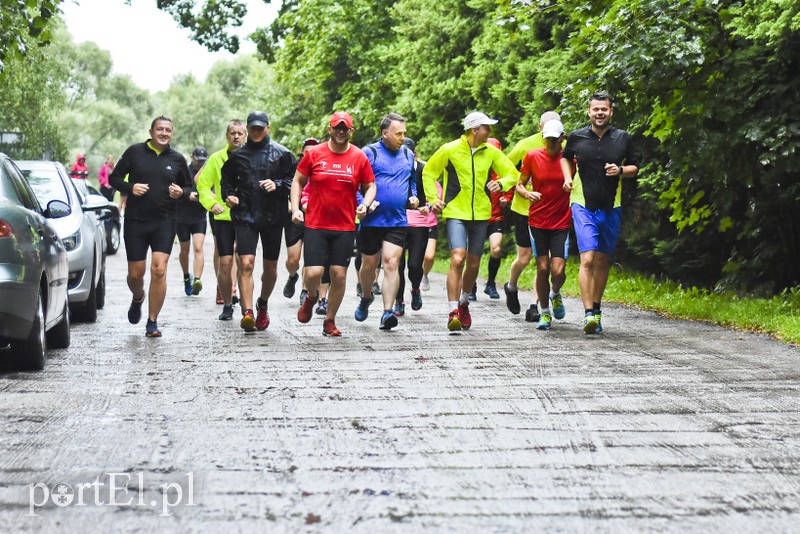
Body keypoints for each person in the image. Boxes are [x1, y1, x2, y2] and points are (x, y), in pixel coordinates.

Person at [422, 111, 518, 332]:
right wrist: (433, 199)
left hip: (482, 214)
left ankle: (464, 302)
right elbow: (429, 172)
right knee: (458, 258)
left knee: (474, 263)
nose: (490, 131)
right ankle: (453, 309)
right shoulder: (450, 149)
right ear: (475, 130)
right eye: (486, 127)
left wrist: (501, 184)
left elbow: (513, 174)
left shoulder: (492, 152)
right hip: (456, 211)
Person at [290, 111, 377, 336]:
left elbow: (370, 186)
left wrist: (365, 205)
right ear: (329, 129)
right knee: (313, 273)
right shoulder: (315, 154)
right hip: (316, 224)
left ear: (351, 131)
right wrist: (296, 207)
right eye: (336, 127)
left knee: (339, 274)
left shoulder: (359, 157)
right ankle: (311, 297)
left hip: (345, 226)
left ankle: (330, 320)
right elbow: (298, 181)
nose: (340, 131)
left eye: (344, 128)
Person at [562, 91, 639, 334]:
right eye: (595, 109)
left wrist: (621, 170)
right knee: (587, 259)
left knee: (603, 260)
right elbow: (565, 157)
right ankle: (587, 315)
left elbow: (635, 167)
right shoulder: (576, 137)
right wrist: (567, 177)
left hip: (611, 206)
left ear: (610, 112)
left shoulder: (623, 138)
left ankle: (596, 308)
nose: (599, 113)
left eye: (604, 109)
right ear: (589, 111)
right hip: (583, 204)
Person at [108, 116, 192, 337]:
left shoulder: (177, 159)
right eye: (160, 129)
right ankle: (138, 298)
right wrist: (130, 187)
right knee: (136, 275)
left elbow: (189, 185)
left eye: (168, 130)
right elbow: (113, 178)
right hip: (136, 221)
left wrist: (181, 192)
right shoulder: (135, 152)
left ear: (172, 133)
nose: (164, 133)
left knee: (159, 269)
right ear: (151, 131)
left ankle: (152, 321)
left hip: (165, 221)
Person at [221, 111, 297, 332]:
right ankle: (247, 312)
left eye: (259, 128)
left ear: (267, 128)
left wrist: (278, 184)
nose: (256, 131)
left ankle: (262, 303)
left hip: (274, 217)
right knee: (246, 263)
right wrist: (229, 195)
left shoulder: (283, 154)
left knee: (270, 268)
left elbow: (295, 180)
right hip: (245, 216)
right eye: (252, 128)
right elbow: (226, 181)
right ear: (248, 128)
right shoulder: (238, 156)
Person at [354, 112, 418, 330]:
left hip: (397, 220)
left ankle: (387, 312)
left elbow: (412, 182)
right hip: (371, 221)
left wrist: (413, 196)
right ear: (385, 133)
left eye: (404, 133)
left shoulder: (409, 155)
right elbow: (356, 185)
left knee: (392, 263)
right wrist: (363, 204)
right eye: (398, 133)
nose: (402, 137)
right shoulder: (368, 153)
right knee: (369, 266)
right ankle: (365, 296)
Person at [504, 110, 561, 322]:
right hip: (524, 209)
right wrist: (521, 182)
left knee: (542, 261)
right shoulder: (525, 145)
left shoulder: (562, 147)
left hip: (549, 212)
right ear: (539, 127)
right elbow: (505, 168)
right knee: (525, 257)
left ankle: (534, 305)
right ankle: (511, 286)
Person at [517, 120, 571, 330]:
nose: (549, 142)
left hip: (561, 220)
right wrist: (527, 193)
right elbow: (519, 184)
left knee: (558, 270)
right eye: (547, 138)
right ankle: (545, 312)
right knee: (542, 267)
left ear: (562, 138)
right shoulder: (533, 156)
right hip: (538, 219)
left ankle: (555, 293)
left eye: (554, 139)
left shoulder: (569, 158)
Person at [197, 120, 246, 320]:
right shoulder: (216, 159)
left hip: (247, 218)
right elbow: (203, 185)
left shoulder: (253, 157)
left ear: (246, 135)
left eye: (240, 133)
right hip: (223, 217)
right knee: (225, 262)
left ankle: (246, 301)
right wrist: (211, 203)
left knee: (245, 262)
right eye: (232, 133)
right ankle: (227, 303)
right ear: (227, 136)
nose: (236, 136)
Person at [284, 137, 331, 316]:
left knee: (312, 259)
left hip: (316, 218)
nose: (310, 153)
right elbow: (287, 186)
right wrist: (292, 205)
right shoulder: (293, 167)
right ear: (302, 151)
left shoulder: (323, 165)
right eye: (307, 150)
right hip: (296, 217)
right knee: (293, 259)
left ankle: (305, 291)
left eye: (314, 149)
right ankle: (292, 276)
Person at [396, 137, 439, 315]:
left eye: (408, 153)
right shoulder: (394, 170)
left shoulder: (423, 169)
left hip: (419, 223)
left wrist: (428, 207)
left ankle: (415, 289)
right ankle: (398, 301)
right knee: (397, 266)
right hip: (397, 222)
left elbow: (435, 193)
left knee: (414, 265)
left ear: (414, 153)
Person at [177, 146, 209, 297]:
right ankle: (186, 277)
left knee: (198, 247)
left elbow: (212, 189)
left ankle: (197, 279)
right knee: (184, 250)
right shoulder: (183, 171)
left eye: (203, 161)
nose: (200, 163)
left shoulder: (207, 171)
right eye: (198, 160)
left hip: (199, 216)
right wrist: (187, 194)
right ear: (192, 157)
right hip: (182, 216)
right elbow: (176, 189)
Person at [483, 137, 513, 300]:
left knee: (496, 249)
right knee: (472, 252)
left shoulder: (502, 170)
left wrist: (506, 199)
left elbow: (510, 186)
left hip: (496, 216)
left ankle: (490, 283)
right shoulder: (477, 168)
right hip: (477, 218)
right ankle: (470, 286)